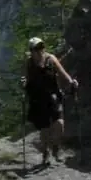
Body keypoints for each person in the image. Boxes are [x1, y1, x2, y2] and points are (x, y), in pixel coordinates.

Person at [21, 37, 78, 165]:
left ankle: (56, 148)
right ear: (32, 50)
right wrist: (23, 83)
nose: (40, 50)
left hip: (53, 96)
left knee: (59, 124)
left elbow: (62, 72)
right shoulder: (29, 63)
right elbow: (25, 78)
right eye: (37, 48)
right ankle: (46, 152)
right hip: (37, 99)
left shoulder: (51, 59)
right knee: (44, 129)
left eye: (41, 47)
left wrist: (71, 82)